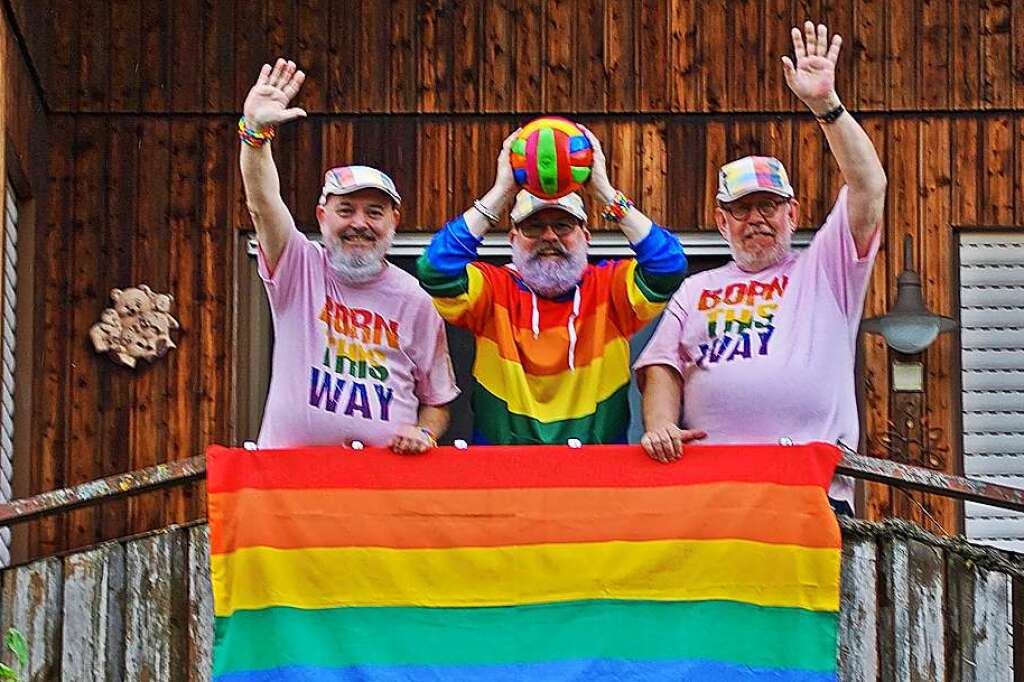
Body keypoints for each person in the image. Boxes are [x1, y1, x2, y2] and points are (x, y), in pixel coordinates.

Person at [635, 22, 887, 514]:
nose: (756, 219)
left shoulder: (828, 269)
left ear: (792, 213)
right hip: (713, 494)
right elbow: (662, 365)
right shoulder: (694, 289)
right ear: (720, 221)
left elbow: (869, 185)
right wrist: (659, 425)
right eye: (742, 208)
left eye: (769, 206)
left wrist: (826, 106)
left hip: (811, 491)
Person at [239, 58, 459, 454]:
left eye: (374, 212)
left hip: (379, 492)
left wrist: (424, 434)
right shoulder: (298, 266)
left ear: (394, 221)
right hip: (289, 488)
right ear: (322, 217)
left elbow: (438, 401)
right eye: (346, 210)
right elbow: (262, 203)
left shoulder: (416, 299)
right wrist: (255, 133)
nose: (360, 223)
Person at [417, 127, 687, 445]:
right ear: (512, 239)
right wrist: (502, 191)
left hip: (594, 477)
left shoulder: (610, 288)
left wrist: (605, 191)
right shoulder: (493, 290)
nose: (549, 237)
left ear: (586, 237)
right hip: (504, 476)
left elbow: (669, 265)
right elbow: (434, 269)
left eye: (562, 225)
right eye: (533, 227)